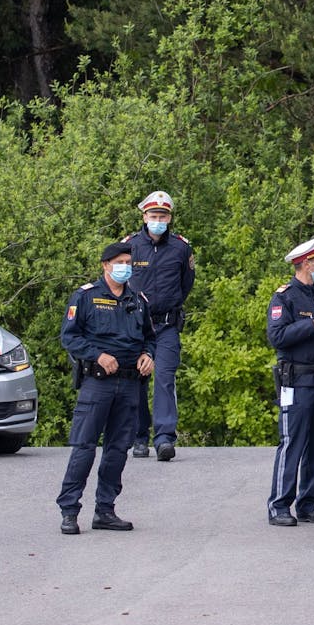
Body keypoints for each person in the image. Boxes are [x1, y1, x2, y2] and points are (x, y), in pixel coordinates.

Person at [56, 242, 155, 535]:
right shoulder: (85, 297)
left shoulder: (138, 300)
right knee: (84, 447)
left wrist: (148, 355)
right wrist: (97, 355)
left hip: (129, 384)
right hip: (97, 383)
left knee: (117, 450)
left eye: (129, 261)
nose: (125, 266)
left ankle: (105, 510)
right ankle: (69, 510)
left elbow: (150, 337)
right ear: (105, 265)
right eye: (120, 261)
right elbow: (69, 338)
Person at [266, 235, 314, 527]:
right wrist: (311, 324)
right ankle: (279, 505)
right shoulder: (285, 297)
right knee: (292, 443)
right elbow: (277, 337)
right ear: (307, 264)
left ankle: (308, 503)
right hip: (297, 382)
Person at [123, 190, 196, 462]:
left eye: (163, 215)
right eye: (153, 215)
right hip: (136, 327)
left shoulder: (181, 247)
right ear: (144, 216)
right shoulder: (130, 246)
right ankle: (140, 437)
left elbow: (186, 284)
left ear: (169, 218)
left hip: (166, 326)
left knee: (164, 378)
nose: (158, 219)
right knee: (137, 380)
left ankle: (164, 439)